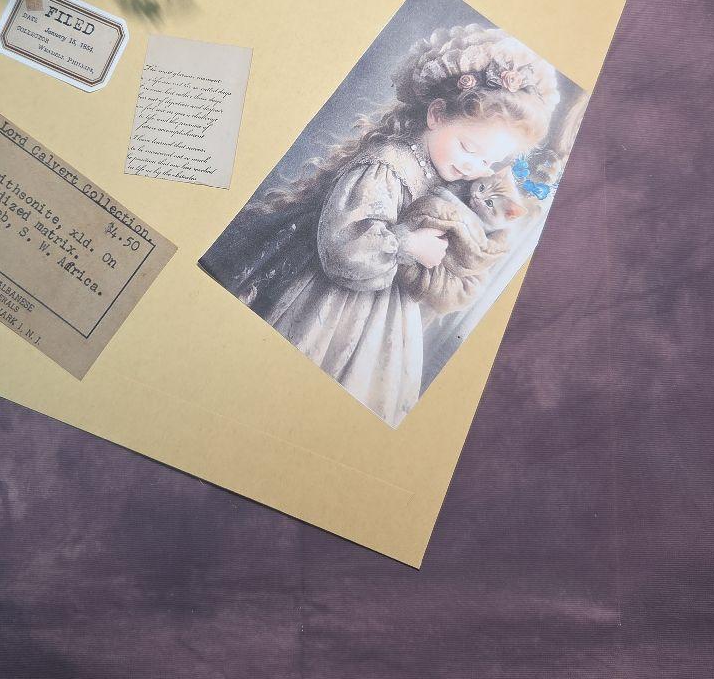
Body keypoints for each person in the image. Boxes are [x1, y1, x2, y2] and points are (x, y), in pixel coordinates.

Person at [200, 24, 560, 426]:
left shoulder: (440, 172)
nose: (472, 167)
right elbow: (345, 246)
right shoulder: (387, 166)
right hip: (332, 300)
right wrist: (409, 245)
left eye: (487, 162)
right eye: (468, 148)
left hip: (382, 308)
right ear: (436, 114)